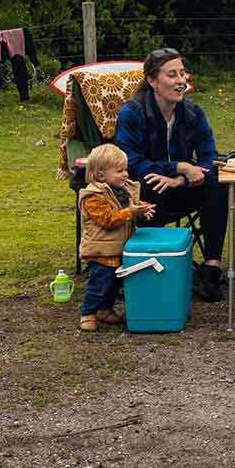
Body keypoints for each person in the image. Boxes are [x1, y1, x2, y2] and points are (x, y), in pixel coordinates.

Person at [114, 47, 228, 302]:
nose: (180, 81)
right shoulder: (132, 113)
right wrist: (178, 167)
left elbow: (210, 157)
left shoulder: (193, 113)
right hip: (146, 195)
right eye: (172, 75)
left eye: (183, 74)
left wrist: (180, 176)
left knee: (218, 182)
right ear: (152, 81)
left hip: (183, 188)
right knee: (151, 183)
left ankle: (211, 268)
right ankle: (152, 265)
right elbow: (129, 163)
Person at [76, 142, 156, 331]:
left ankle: (105, 309)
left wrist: (142, 209)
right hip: (101, 250)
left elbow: (131, 205)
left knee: (114, 284)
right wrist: (131, 211)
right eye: (119, 171)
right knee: (99, 284)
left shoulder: (123, 189)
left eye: (125, 169)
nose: (126, 174)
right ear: (101, 174)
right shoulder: (92, 196)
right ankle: (87, 312)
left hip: (119, 248)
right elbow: (108, 219)